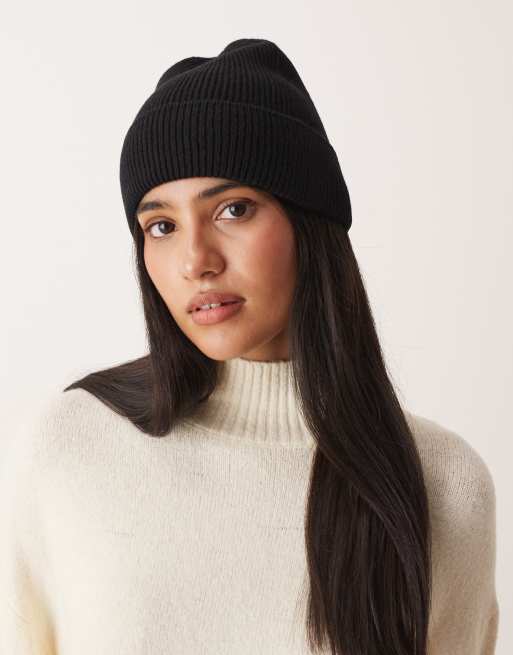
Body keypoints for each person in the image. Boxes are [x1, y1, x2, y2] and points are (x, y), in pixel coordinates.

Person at [0, 38, 499, 655]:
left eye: (233, 209)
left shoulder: (443, 486)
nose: (195, 260)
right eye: (162, 225)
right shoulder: (72, 447)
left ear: (308, 222)